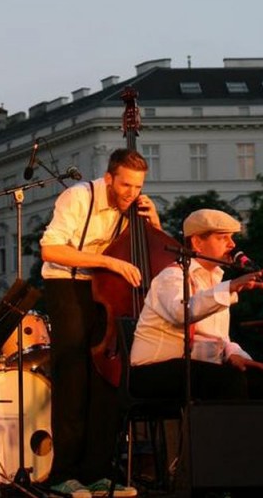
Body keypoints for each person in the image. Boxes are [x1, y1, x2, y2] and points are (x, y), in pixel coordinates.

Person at [40, 148, 162, 498]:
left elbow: (154, 250)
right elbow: (50, 250)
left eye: (138, 186)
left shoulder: (135, 206)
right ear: (109, 178)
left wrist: (153, 222)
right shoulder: (78, 197)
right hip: (67, 284)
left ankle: (96, 472)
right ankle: (63, 475)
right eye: (125, 184)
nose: (131, 192)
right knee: (74, 377)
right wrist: (108, 263)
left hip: (104, 289)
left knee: (106, 380)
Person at [130, 208, 263, 401]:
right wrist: (230, 287)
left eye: (232, 238)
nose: (232, 244)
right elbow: (182, 314)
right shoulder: (172, 276)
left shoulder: (216, 281)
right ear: (197, 242)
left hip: (197, 368)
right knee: (228, 381)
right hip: (154, 371)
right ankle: (220, 432)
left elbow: (220, 337)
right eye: (222, 238)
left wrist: (234, 354)